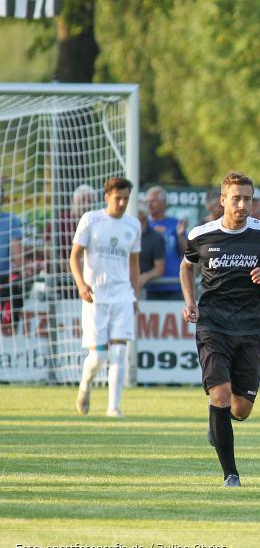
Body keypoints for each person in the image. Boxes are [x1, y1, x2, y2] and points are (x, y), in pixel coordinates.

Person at [180, 171, 260, 487]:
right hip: (213, 325)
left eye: (247, 199)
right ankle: (231, 475)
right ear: (222, 200)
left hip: (251, 327)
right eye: (236, 198)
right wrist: (190, 301)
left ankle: (218, 424)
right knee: (220, 395)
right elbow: (187, 266)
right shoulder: (201, 235)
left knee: (241, 410)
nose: (242, 205)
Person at [71, 177, 141, 419]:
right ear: (106, 197)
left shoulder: (133, 225)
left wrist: (135, 295)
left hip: (122, 295)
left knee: (120, 352)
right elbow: (75, 256)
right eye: (117, 198)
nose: (122, 203)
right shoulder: (91, 220)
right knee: (99, 356)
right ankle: (85, 385)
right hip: (95, 296)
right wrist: (81, 284)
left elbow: (134, 264)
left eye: (125, 199)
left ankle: (114, 407)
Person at [145, 186, 187, 300]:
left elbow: (187, 251)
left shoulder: (175, 224)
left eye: (153, 201)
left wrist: (180, 235)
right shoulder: (143, 225)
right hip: (149, 285)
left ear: (164, 203)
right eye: (147, 202)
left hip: (174, 285)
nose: (149, 205)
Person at [0, 184, 24, 332]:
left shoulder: (11, 220)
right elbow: (17, 254)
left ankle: (10, 324)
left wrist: (22, 268)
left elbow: (17, 254)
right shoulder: (11, 220)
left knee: (17, 282)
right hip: (5, 280)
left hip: (5, 278)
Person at [137, 201, 166, 291]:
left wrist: (145, 277)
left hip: (150, 290)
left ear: (143, 216)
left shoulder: (156, 238)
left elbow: (159, 268)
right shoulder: (123, 234)